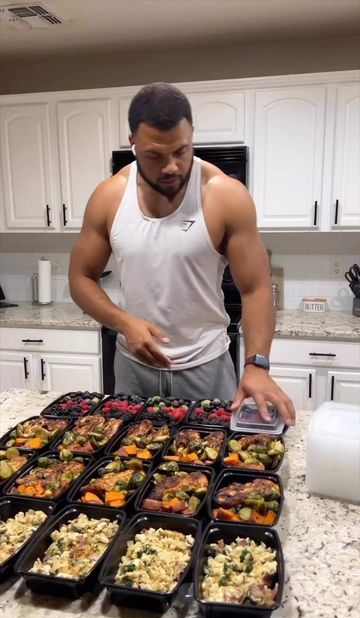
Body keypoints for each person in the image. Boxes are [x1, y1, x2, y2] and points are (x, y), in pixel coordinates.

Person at [69, 82, 295, 427]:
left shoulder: (225, 196)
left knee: (212, 467)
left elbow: (256, 289)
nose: (171, 166)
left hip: (206, 367)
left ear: (192, 136)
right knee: (129, 468)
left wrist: (256, 365)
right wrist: (123, 322)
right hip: (133, 367)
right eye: (155, 156)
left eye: (181, 151)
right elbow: (80, 278)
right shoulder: (109, 196)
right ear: (133, 143)